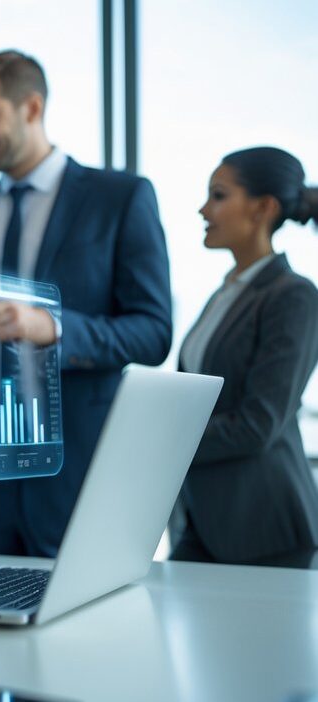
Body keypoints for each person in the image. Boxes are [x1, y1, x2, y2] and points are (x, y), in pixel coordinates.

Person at [0, 50, 172, 557]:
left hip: (77, 473)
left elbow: (154, 331)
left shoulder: (119, 198)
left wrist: (54, 327)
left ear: (31, 107)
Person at [172, 147, 318, 565]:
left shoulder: (293, 295)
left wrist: (166, 442)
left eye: (218, 195)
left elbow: (258, 424)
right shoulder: (226, 294)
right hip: (205, 519)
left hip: (264, 525)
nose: (203, 209)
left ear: (263, 208)